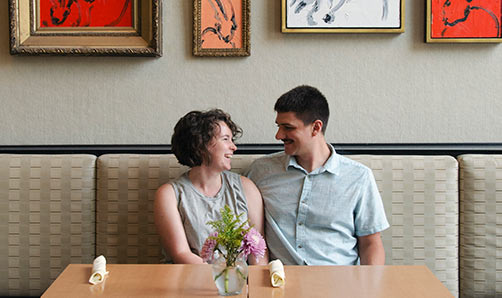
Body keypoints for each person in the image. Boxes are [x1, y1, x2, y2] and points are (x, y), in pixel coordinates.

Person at [246, 85, 389, 265]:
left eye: (288, 127)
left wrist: (370, 289)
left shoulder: (359, 177)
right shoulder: (261, 172)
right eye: (278, 126)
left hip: (340, 286)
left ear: (316, 127)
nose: (278, 135)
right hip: (281, 285)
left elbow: (370, 244)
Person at [155, 109, 268, 265]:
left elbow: (258, 253)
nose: (233, 147)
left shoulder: (246, 188)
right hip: (189, 280)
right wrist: (221, 280)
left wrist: (250, 287)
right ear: (200, 145)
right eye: (225, 139)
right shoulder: (169, 194)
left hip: (238, 282)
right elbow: (181, 254)